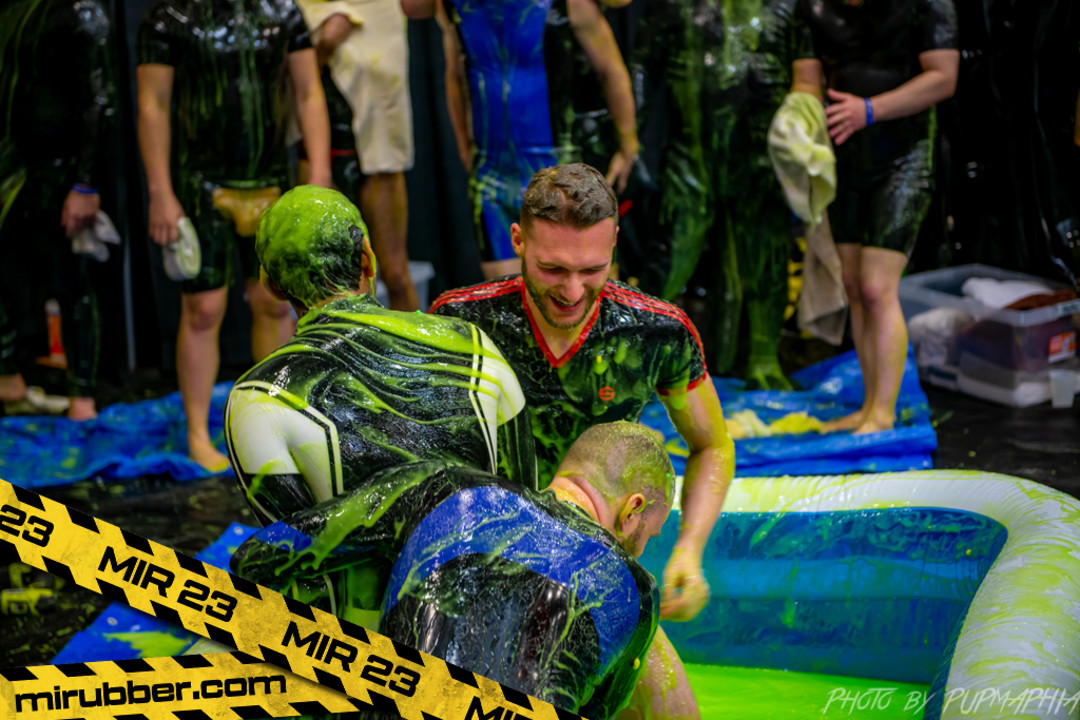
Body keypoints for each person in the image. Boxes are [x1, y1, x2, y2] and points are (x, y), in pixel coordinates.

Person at [430, 163, 734, 624]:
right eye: (552, 268)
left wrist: (689, 551)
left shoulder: (656, 334)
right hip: (486, 562)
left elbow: (712, 445)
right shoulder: (461, 324)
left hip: (596, 571)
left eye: (593, 269)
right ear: (518, 241)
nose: (572, 291)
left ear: (614, 243)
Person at [231, 422, 693, 719]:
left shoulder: (445, 486)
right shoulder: (636, 592)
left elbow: (257, 558)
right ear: (632, 510)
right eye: (649, 536)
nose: (641, 550)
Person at [225, 184, 536, 622]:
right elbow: (526, 510)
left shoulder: (257, 399)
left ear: (270, 286)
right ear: (369, 258)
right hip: (489, 627)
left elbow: (299, 568)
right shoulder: (476, 347)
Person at [137, 0, 332, 471]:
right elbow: (152, 104)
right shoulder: (170, 17)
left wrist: (320, 173)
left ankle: (275, 421)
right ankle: (196, 433)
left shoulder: (282, 12)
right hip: (201, 182)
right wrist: (160, 191)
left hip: (270, 176)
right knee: (203, 307)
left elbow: (309, 92)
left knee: (274, 302)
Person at [791, 0, 959, 433]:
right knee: (853, 285)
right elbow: (806, 79)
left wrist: (870, 109)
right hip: (845, 158)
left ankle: (883, 412)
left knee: (875, 286)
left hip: (903, 157)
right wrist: (797, 122)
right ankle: (868, 405)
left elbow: (944, 76)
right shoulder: (813, 7)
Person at [402, 0, 640, 280]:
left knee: (583, 290)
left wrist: (628, 144)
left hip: (562, 175)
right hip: (494, 175)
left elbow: (611, 69)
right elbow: (452, 72)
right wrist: (464, 148)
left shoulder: (570, 4)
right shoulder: (455, 7)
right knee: (508, 295)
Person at [0, 0, 117, 421]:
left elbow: (99, 101)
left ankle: (82, 397)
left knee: (72, 281)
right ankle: (8, 376)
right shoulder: (13, 8)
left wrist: (85, 183)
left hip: (61, 170)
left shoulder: (81, 11)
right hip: (13, 166)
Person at [294, 0, 419, 310]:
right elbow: (294, 77)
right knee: (329, 285)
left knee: (396, 273)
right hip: (322, 151)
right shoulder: (294, 12)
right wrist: (323, 42)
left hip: (379, 150)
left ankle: (411, 342)